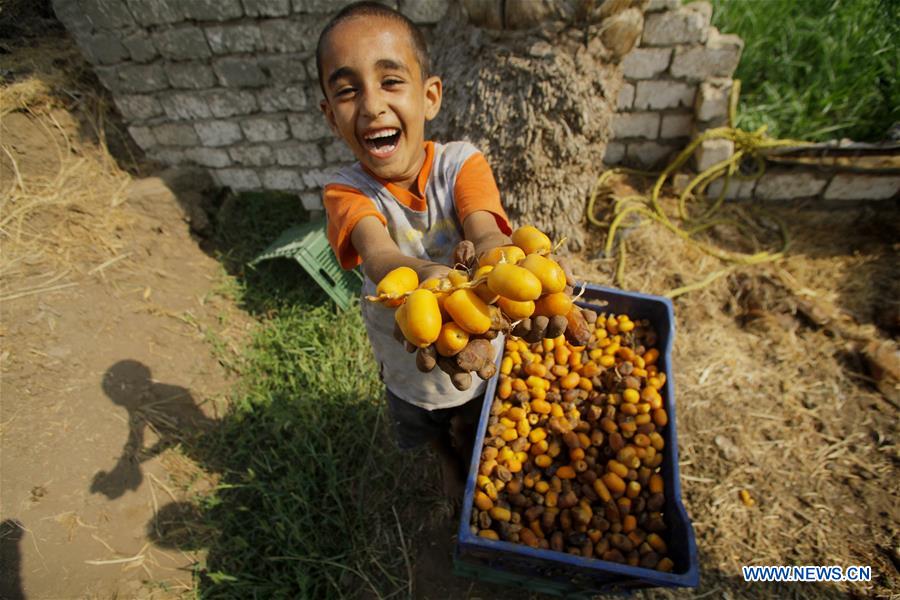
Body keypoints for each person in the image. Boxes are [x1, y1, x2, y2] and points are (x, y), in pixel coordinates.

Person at [315, 2, 512, 500]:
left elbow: (485, 229)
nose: (372, 105)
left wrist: (500, 259)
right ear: (330, 116)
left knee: (477, 412)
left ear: (430, 97)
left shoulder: (461, 163)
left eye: (391, 81)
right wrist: (430, 274)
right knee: (422, 421)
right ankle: (445, 459)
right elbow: (379, 256)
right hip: (408, 361)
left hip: (479, 343)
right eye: (347, 90)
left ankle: (467, 447)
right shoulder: (346, 191)